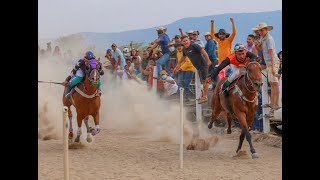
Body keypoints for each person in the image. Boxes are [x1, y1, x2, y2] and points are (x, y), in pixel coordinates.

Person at [255, 23, 281, 118]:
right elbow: (261, 49)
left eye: (262, 30)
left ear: (266, 29)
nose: (260, 32)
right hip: (269, 63)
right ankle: (273, 104)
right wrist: (257, 45)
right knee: (272, 83)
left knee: (274, 84)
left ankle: (275, 104)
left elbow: (271, 54)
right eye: (259, 30)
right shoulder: (263, 38)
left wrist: (274, 67)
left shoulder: (269, 39)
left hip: (272, 63)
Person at [176, 35, 212, 104]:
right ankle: (202, 96)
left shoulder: (194, 45)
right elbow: (183, 57)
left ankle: (205, 96)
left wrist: (208, 60)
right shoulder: (184, 49)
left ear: (189, 40)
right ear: (182, 42)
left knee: (204, 81)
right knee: (201, 82)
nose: (185, 42)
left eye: (186, 40)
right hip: (198, 67)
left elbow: (204, 52)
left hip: (203, 65)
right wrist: (178, 64)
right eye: (184, 41)